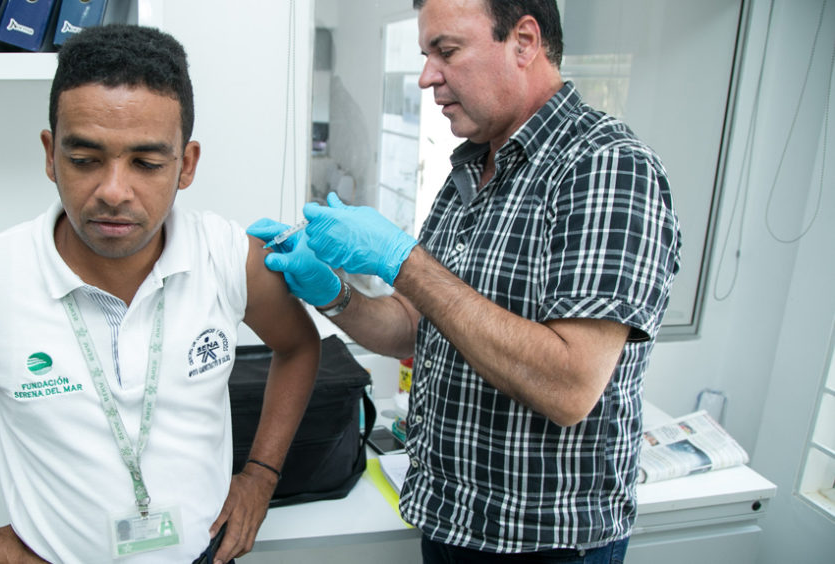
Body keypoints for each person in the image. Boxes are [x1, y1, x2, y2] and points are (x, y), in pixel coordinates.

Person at [0, 24, 320, 564]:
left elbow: (299, 347)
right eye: (84, 160)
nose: (113, 191)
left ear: (186, 165)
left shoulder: (229, 258)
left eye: (146, 163)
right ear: (51, 155)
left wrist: (260, 476)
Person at [248, 0, 681, 562]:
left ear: (524, 42)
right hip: (451, 519)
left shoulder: (606, 167)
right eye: (427, 55)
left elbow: (570, 388)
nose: (428, 76)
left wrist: (403, 260)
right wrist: (332, 292)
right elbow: (413, 327)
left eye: (446, 51)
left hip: (542, 544)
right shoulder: (470, 170)